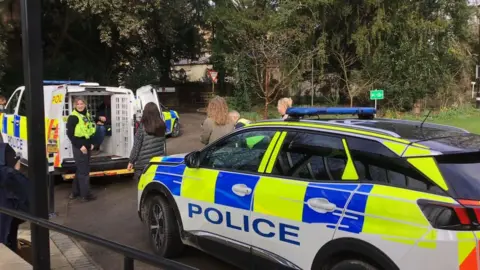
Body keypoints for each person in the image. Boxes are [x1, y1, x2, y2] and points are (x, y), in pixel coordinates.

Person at [0, 143, 30, 252]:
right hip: (7, 202)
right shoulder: (5, 149)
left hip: (6, 202)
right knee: (8, 233)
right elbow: (16, 171)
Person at [66, 97, 96, 202]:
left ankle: (75, 192)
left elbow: (90, 129)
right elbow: (70, 134)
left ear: (85, 104)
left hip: (87, 144)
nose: (80, 105)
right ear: (75, 105)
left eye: (82, 103)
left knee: (81, 169)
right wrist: (80, 146)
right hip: (79, 146)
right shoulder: (73, 117)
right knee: (84, 172)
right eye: (78, 104)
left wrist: (91, 143)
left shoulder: (86, 115)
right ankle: (85, 195)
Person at [128, 102, 166, 181]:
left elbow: (136, 147)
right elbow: (162, 145)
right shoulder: (162, 126)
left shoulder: (142, 127)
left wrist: (131, 161)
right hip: (157, 163)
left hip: (143, 166)